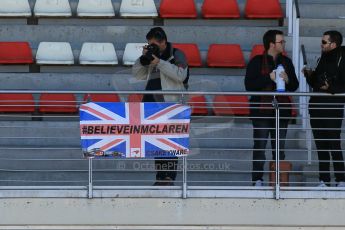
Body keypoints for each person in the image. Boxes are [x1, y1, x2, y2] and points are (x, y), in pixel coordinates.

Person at [132, 27, 189, 186]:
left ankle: (169, 177)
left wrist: (159, 62)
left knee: (171, 142)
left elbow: (180, 75)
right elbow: (137, 75)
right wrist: (143, 59)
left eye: (155, 44)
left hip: (170, 104)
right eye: (149, 44)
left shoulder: (177, 54)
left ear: (163, 42)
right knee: (157, 142)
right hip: (152, 103)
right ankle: (160, 176)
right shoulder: (151, 55)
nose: (152, 47)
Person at [245, 30, 299, 186]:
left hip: (282, 110)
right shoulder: (256, 61)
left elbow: (294, 86)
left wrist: (288, 79)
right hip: (261, 110)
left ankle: (277, 180)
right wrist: (268, 77)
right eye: (281, 42)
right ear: (271, 44)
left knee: (279, 148)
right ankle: (257, 179)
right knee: (260, 146)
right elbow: (249, 85)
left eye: (283, 42)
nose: (283, 44)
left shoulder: (287, 62)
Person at [303, 30, 345, 187]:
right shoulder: (322, 58)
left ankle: (341, 179)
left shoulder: (342, 58)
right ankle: (324, 179)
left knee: (334, 143)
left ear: (333, 44)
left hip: (333, 106)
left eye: (324, 42)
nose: (321, 45)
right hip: (317, 105)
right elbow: (316, 84)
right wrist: (309, 75)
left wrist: (331, 87)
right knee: (321, 144)